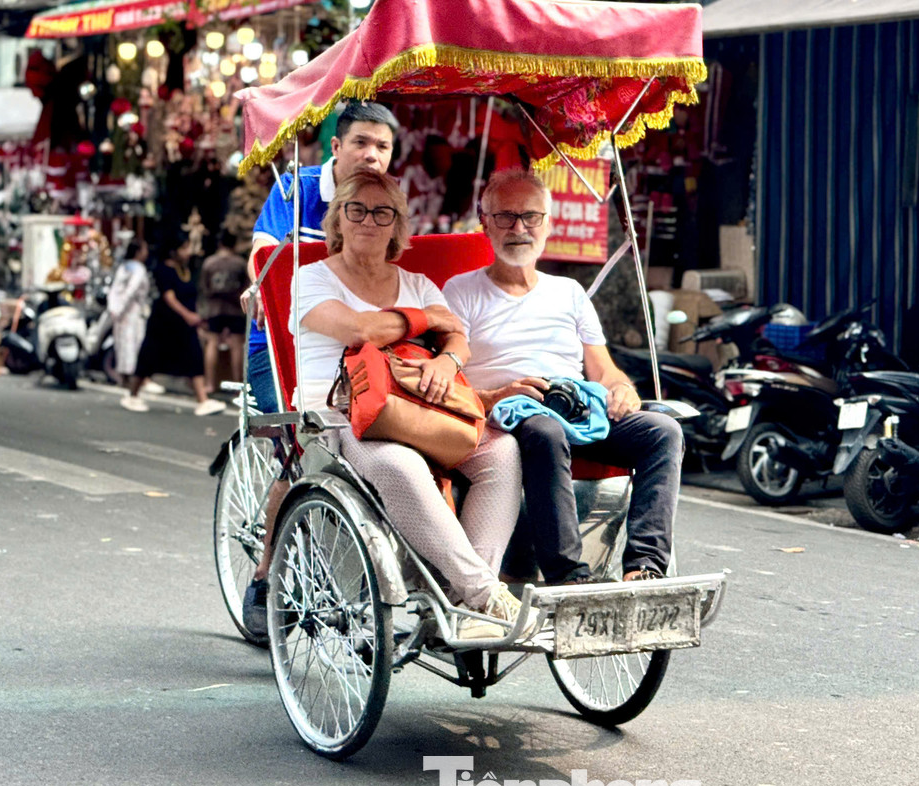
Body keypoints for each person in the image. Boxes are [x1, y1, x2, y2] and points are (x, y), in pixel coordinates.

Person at [241, 169, 533, 643]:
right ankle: (485, 594)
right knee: (399, 463)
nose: (368, 221)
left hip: (417, 407)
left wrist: (447, 362)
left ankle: (462, 604)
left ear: (397, 224)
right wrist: (423, 320)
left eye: (382, 213)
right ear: (338, 219)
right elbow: (360, 330)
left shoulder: (416, 282)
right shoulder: (309, 279)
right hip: (340, 417)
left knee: (501, 452)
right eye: (356, 210)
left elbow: (457, 336)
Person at [443, 170, 681, 586]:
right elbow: (451, 373)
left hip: (576, 407)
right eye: (505, 217)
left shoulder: (569, 291)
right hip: (507, 415)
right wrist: (499, 394)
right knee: (545, 431)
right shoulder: (460, 291)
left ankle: (644, 566)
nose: (519, 228)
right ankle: (568, 575)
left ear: (548, 223)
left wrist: (621, 388)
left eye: (531, 217)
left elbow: (602, 369)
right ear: (485, 223)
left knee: (663, 431)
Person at [243, 100, 397, 415]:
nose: (372, 155)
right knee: (294, 421)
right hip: (282, 342)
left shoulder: (389, 204)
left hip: (355, 342)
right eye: (361, 143)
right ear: (336, 147)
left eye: (382, 146)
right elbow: (263, 252)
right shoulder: (298, 188)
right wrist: (261, 286)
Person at [127, 234, 226, 416]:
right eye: (184, 248)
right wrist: (188, 316)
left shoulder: (186, 270)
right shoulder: (163, 269)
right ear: (173, 251)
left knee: (194, 356)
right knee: (148, 358)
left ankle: (202, 400)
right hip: (163, 323)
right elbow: (169, 297)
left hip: (184, 326)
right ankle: (132, 395)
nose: (188, 252)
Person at [109, 238, 153, 411]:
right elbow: (131, 290)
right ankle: (133, 385)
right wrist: (121, 308)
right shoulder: (139, 269)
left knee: (123, 345)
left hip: (119, 312)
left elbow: (114, 291)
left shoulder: (123, 267)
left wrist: (115, 309)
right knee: (134, 345)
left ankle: (127, 382)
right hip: (133, 311)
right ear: (138, 251)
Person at [199, 229, 246, 389]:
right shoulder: (239, 263)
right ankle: (238, 386)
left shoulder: (209, 262)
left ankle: (209, 383)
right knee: (237, 345)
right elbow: (245, 286)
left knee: (212, 342)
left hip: (214, 308)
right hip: (235, 309)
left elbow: (204, 287)